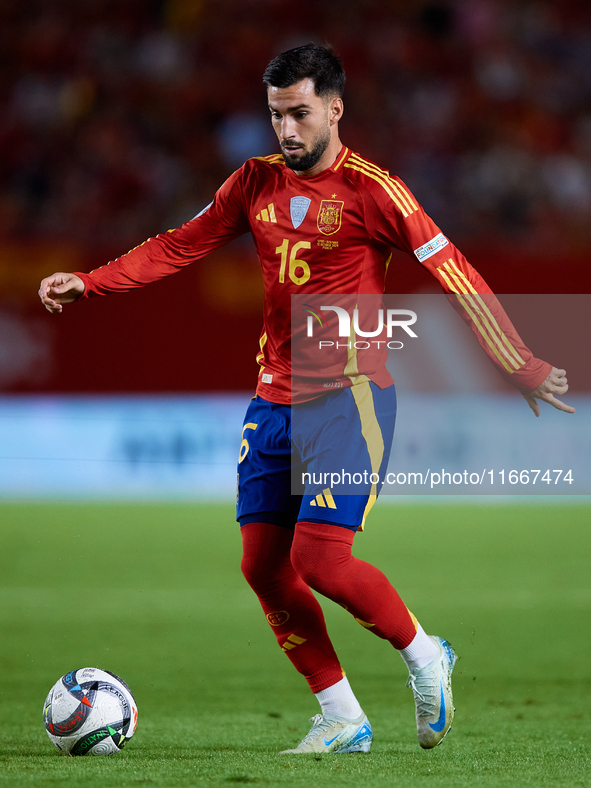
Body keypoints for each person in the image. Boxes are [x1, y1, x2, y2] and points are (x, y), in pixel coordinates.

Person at [39, 44, 574, 755]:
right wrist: (91, 281)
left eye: (298, 114)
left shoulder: (375, 192)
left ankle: (425, 656)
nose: (285, 131)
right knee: (262, 567)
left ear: (333, 109)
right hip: (273, 403)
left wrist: (521, 364)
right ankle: (342, 717)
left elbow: (456, 273)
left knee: (322, 561)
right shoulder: (251, 183)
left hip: (349, 402)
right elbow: (177, 245)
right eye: (274, 115)